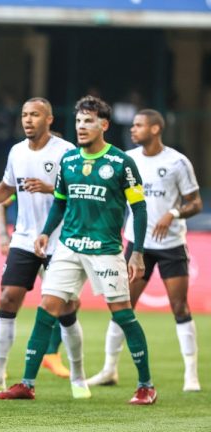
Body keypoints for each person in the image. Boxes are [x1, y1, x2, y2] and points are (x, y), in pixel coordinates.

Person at [0, 95, 157, 405]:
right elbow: (59, 202)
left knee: (123, 315)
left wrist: (136, 252)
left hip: (106, 249)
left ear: (104, 125)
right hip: (69, 245)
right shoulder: (68, 162)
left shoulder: (122, 163)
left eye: (89, 121)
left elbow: (139, 210)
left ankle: (146, 385)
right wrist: (45, 233)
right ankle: (27, 384)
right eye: (79, 121)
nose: (82, 127)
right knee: (47, 310)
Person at [87, 109, 203, 392]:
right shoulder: (127, 160)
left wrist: (174, 213)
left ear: (154, 129)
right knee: (122, 307)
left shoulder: (177, 162)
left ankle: (191, 375)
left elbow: (196, 203)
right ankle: (109, 369)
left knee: (180, 307)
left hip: (171, 245)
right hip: (137, 245)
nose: (132, 129)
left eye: (138, 125)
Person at [0, 98, 79, 396]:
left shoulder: (66, 152)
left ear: (50, 119)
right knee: (7, 299)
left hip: (61, 240)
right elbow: (7, 188)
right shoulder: (16, 151)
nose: (28, 120)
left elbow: (78, 193)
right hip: (25, 239)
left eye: (35, 115)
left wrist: (48, 188)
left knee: (67, 308)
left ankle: (78, 377)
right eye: (24, 115)